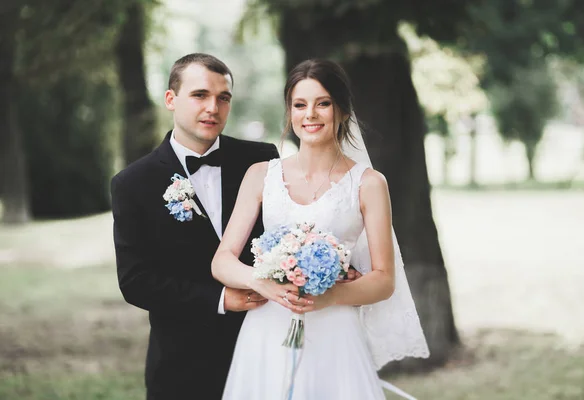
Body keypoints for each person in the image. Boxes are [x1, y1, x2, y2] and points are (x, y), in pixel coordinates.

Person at [212, 59, 430, 399]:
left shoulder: (369, 184)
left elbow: (384, 279)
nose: (310, 114)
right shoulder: (261, 175)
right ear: (289, 112)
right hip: (267, 329)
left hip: (334, 333)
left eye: (322, 103)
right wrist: (263, 283)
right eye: (300, 105)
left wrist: (328, 296)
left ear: (341, 110)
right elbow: (222, 260)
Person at [111, 53, 286, 399]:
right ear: (171, 99)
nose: (213, 107)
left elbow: (290, 230)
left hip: (263, 349)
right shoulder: (133, 183)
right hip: (182, 365)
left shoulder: (262, 161)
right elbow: (135, 281)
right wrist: (221, 298)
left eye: (223, 98)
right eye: (200, 95)